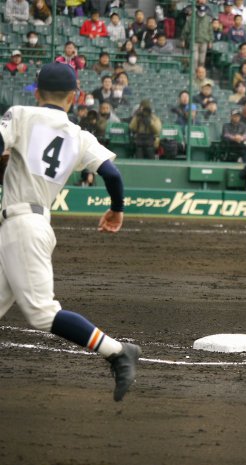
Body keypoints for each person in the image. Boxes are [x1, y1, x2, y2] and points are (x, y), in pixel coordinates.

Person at [0, 62, 141, 402]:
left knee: (42, 312)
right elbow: (113, 175)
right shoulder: (79, 135)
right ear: (75, 97)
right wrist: (116, 209)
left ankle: (117, 351)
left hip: (22, 225)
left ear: (36, 92)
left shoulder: (21, 114)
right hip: (32, 223)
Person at [181, 0, 213, 69]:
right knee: (194, 59)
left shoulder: (208, 19)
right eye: (200, 11)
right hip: (194, 41)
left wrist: (210, 41)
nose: (201, 13)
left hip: (204, 41)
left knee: (202, 60)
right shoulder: (192, 17)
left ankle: (200, 74)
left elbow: (210, 30)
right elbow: (186, 28)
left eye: (203, 11)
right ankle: (193, 75)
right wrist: (183, 39)